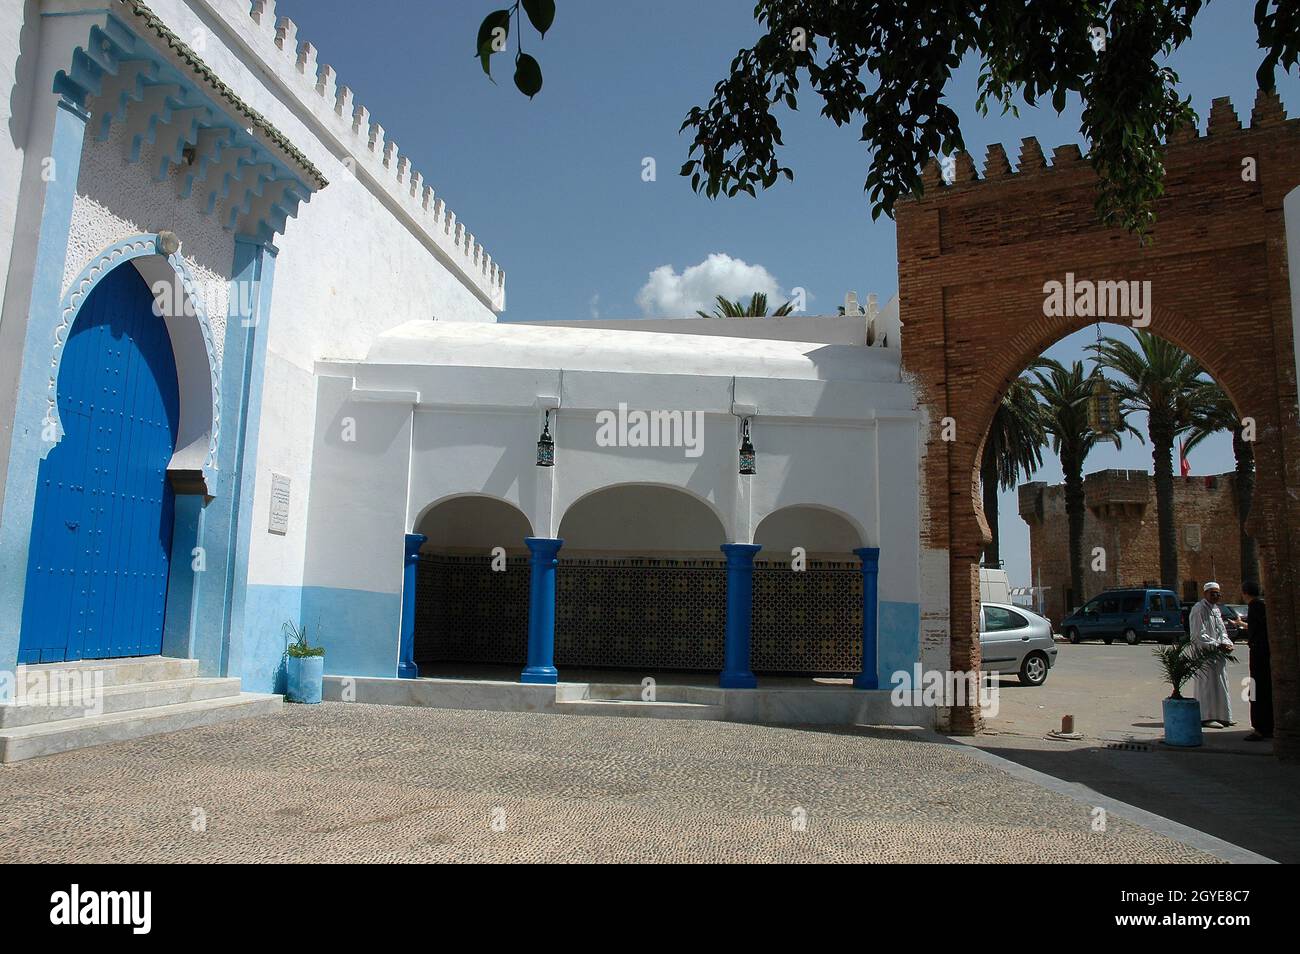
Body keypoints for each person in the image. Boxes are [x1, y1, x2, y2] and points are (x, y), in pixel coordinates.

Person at [1186, 581, 1234, 728]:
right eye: (1213, 593)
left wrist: (1227, 643)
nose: (1216, 595)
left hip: (1218, 654)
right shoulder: (1199, 609)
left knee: (1220, 684)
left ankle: (1223, 715)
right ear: (1205, 593)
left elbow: (1222, 631)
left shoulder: (1216, 609)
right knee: (1207, 686)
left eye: (1218, 593)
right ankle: (1206, 717)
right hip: (1205, 654)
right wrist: (1216, 644)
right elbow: (1198, 635)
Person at [1234, 581, 1272, 741]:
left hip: (1259, 655)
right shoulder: (1261, 606)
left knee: (1255, 691)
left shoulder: (1254, 606)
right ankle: (1268, 726)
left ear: (1245, 593)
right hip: (1264, 654)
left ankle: (1259, 729)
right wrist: (1242, 624)